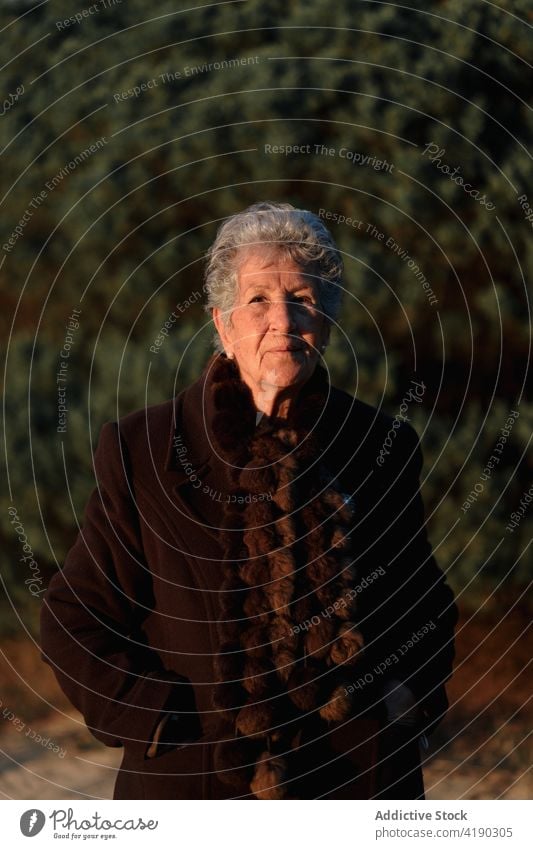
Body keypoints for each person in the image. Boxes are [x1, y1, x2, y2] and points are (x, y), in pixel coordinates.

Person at [40, 201, 458, 800]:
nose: (282, 322)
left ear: (328, 321)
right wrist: (157, 715)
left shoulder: (380, 447)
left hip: (355, 783)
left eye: (304, 300)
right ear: (223, 323)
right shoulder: (146, 448)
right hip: (195, 781)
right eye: (258, 299)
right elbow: (74, 614)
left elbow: (423, 606)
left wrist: (401, 700)